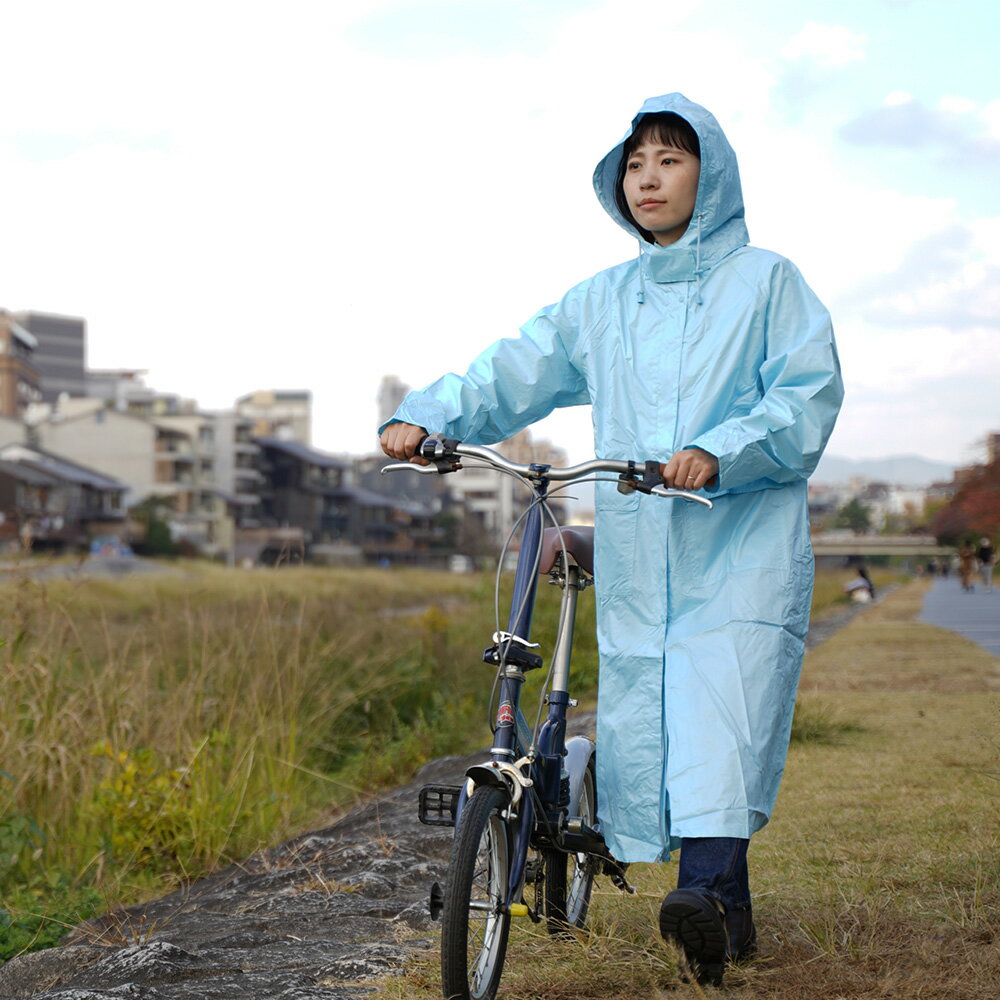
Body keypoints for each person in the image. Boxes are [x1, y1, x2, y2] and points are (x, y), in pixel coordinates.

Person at [380, 93, 843, 985]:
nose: (649, 179)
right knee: (652, 716)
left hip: (736, 539)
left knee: (724, 714)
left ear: (712, 174)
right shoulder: (602, 300)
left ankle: (705, 897)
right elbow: (516, 367)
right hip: (640, 543)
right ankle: (722, 913)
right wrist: (426, 415)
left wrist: (719, 450)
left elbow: (806, 396)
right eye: (635, 164)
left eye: (670, 159)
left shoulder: (768, 283)